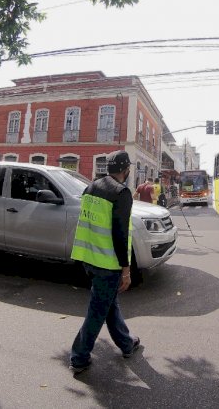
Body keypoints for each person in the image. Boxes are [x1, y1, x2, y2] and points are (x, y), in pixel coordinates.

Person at [69, 150, 141, 374]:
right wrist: (126, 270)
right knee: (97, 311)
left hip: (88, 258)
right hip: (107, 263)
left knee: (109, 304)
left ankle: (127, 343)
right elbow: (120, 235)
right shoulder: (121, 193)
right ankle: (79, 357)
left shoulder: (90, 187)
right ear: (126, 170)